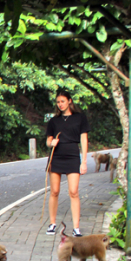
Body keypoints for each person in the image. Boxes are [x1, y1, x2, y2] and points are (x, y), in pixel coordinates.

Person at [45, 91, 89, 237]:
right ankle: (52, 223)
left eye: (63, 101)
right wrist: (52, 142)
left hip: (72, 156)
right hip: (56, 156)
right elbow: (48, 141)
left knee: (73, 192)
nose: (60, 104)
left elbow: (84, 140)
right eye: (58, 102)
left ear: (69, 101)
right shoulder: (54, 121)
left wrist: (84, 161)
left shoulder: (80, 118)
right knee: (54, 191)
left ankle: (76, 227)